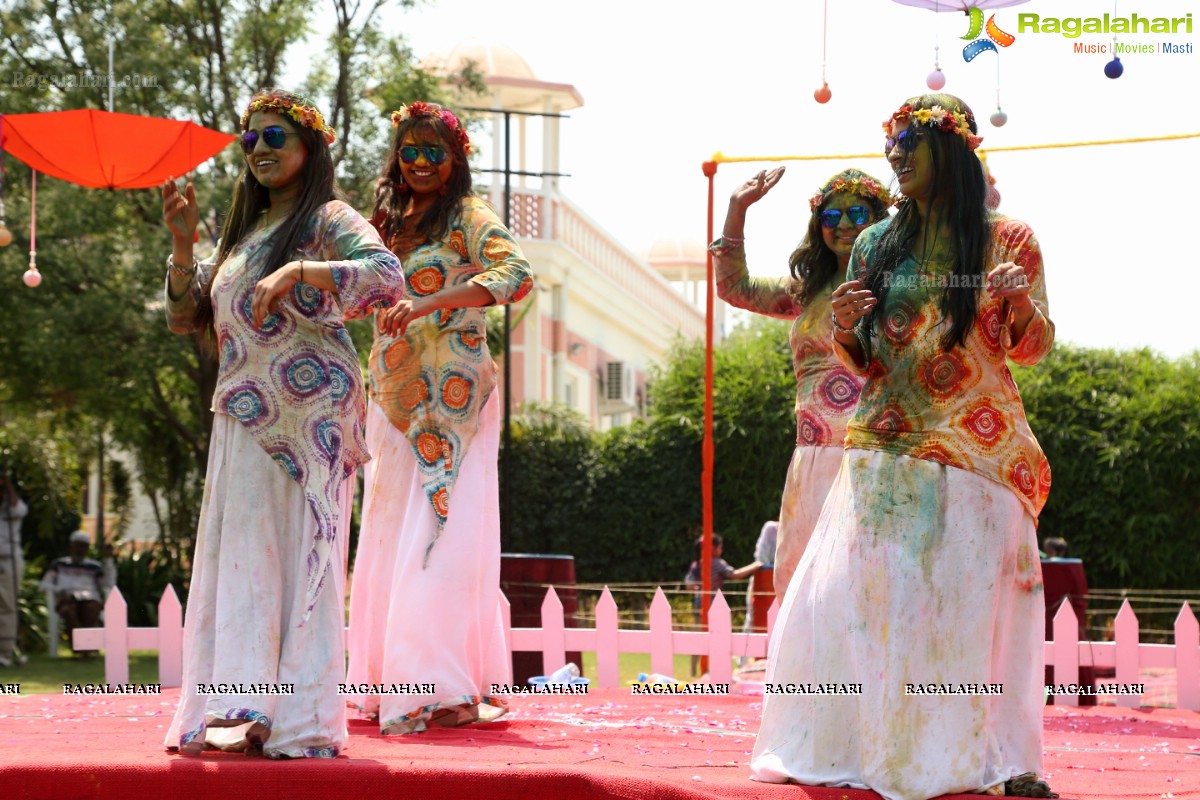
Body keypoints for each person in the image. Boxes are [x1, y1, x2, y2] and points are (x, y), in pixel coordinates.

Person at [751, 93, 1057, 799]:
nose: (896, 157)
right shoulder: (873, 244)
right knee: (870, 604)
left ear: (950, 150)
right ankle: (874, 751)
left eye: (909, 144)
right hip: (886, 445)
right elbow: (861, 362)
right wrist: (849, 328)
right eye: (891, 146)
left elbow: (1035, 348)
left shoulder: (1010, 238)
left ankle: (986, 761)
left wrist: (1018, 305)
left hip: (979, 454)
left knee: (965, 613)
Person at [159, 90, 405, 758]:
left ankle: (298, 721)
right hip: (243, 412)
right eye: (250, 140)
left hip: (310, 414)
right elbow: (187, 317)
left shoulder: (326, 217)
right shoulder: (242, 235)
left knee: (303, 559)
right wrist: (184, 246)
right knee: (243, 558)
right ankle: (242, 705)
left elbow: (388, 276)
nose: (261, 150)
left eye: (275, 138)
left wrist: (305, 267)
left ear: (309, 148)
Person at [345, 101, 532, 735]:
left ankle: (442, 686)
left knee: (443, 536)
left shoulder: (468, 218)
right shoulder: (383, 225)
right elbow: (354, 297)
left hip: (455, 401)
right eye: (410, 150)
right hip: (394, 399)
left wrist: (429, 302)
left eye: (434, 151)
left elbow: (516, 273)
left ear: (455, 160)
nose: (421, 162)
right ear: (396, 158)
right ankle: (388, 681)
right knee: (390, 532)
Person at [713, 166, 892, 599]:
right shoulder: (806, 291)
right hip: (813, 458)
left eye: (857, 213)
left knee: (868, 589)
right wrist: (738, 209)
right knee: (804, 590)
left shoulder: (899, 285)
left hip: (878, 455)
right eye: (831, 217)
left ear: (881, 220)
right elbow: (734, 287)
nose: (845, 224)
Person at [685, 534, 761, 675]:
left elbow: (689, 583)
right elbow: (734, 574)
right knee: (718, 636)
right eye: (720, 547)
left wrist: (698, 588)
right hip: (715, 604)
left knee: (699, 636)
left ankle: (694, 671)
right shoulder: (717, 563)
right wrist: (755, 566)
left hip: (699, 603)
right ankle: (714, 669)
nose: (721, 549)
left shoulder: (697, 564)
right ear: (713, 548)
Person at [40, 531, 112, 657]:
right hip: (67, 598)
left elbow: (108, 584)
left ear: (88, 548)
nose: (80, 549)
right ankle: (82, 648)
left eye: (83, 546)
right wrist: (58, 590)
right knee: (69, 611)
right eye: (77, 545)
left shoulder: (95, 567)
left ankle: (87, 647)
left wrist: (108, 560)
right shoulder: (59, 565)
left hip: (89, 597)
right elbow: (45, 584)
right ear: (71, 546)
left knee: (91, 609)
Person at [0, 470, 28, 667]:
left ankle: (4, 653)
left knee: (7, 606)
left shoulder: (10, 509)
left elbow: (19, 509)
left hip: (7, 561)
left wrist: (6, 483)